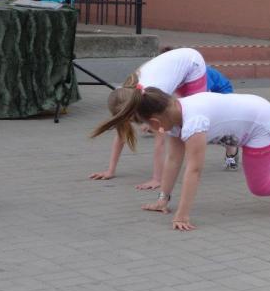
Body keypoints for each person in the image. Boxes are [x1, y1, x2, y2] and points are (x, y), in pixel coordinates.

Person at [91, 89, 270, 230]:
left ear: (156, 122)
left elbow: (194, 170)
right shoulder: (175, 115)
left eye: (147, 126)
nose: (151, 130)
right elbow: (173, 161)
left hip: (258, 124)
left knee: (260, 185)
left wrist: (183, 215)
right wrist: (163, 200)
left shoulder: (193, 122)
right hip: (258, 111)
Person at [89, 47, 208, 188]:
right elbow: (121, 134)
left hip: (192, 63)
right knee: (177, 123)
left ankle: (227, 148)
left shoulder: (150, 99)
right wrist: (110, 170)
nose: (129, 121)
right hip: (175, 64)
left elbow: (160, 142)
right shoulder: (125, 93)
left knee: (193, 117)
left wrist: (157, 179)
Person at [206, 66, 240, 169]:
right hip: (212, 97)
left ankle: (232, 151)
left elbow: (205, 93)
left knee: (219, 127)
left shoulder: (200, 71)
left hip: (223, 96)